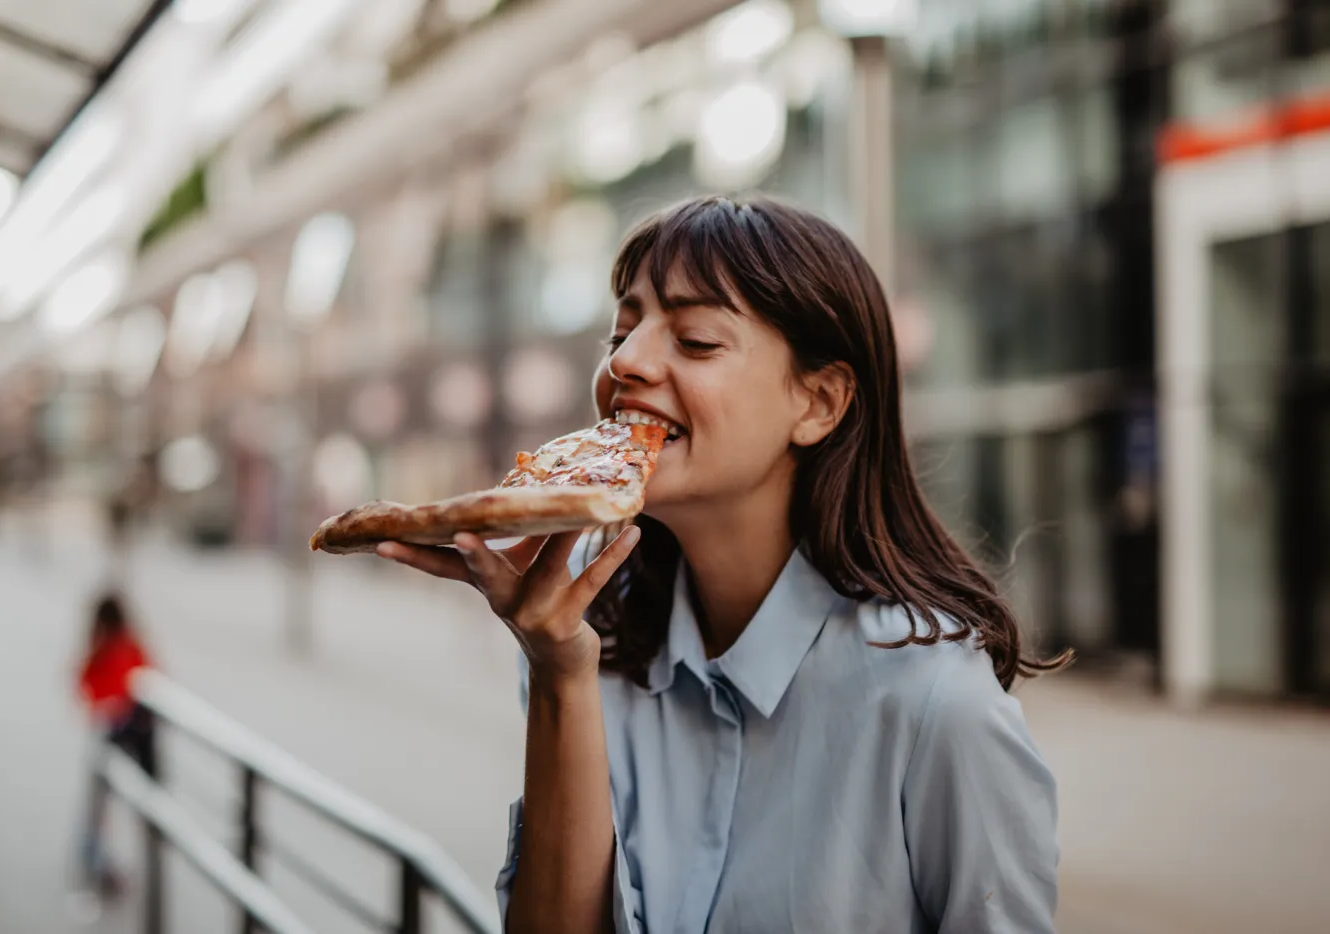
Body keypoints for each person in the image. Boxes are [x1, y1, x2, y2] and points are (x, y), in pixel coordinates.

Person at [377, 195, 1069, 934]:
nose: (626, 361)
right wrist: (559, 674)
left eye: (697, 340)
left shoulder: (936, 703)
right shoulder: (590, 645)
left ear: (820, 403)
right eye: (623, 329)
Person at [74, 592, 154, 898]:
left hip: (114, 731)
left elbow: (85, 686)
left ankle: (97, 859)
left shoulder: (103, 646)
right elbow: (148, 678)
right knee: (123, 801)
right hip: (133, 733)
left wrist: (106, 705)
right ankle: (104, 861)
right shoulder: (127, 644)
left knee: (102, 801)